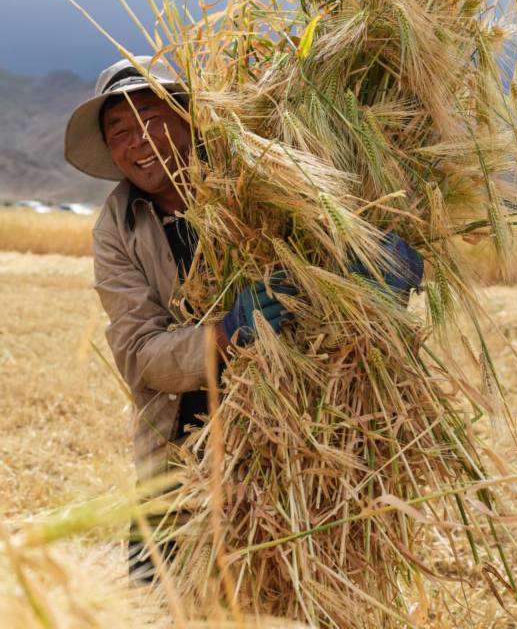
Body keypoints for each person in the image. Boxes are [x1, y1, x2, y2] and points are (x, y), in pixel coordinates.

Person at [64, 55, 423, 584]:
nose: (137, 140)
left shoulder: (262, 176)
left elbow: (338, 245)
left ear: (188, 118)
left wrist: (376, 260)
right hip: (181, 442)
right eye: (119, 131)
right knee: (156, 594)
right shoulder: (117, 228)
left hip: (303, 435)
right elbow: (139, 354)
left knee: (296, 592)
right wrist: (225, 335)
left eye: (150, 117)